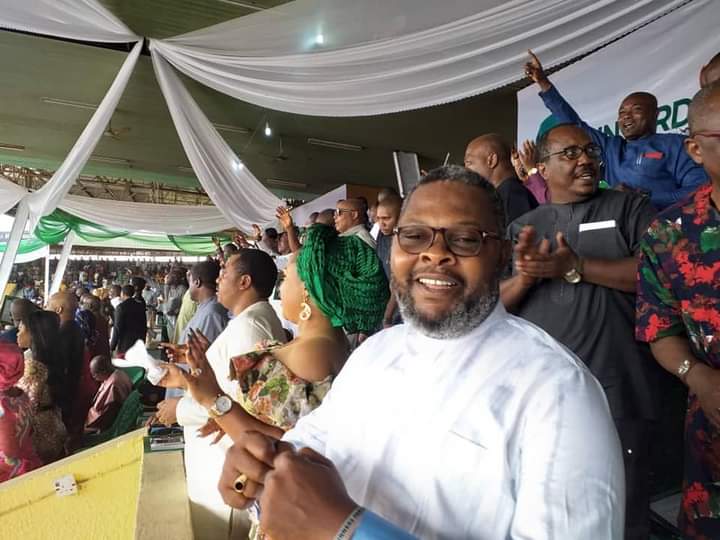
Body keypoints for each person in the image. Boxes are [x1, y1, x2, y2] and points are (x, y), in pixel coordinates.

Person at [216, 166, 625, 539]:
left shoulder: (559, 392)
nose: (434, 252)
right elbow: (314, 442)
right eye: (413, 236)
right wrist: (260, 465)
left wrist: (349, 530)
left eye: (465, 239)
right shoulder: (375, 353)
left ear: (502, 254)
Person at [178, 225, 389, 539]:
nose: (281, 287)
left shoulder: (313, 353)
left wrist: (214, 401)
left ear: (307, 290)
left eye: (286, 278)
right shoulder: (320, 344)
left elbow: (290, 447)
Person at [500, 123, 658, 539]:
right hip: (543, 392)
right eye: (570, 153)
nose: (585, 160)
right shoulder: (523, 228)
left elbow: (661, 277)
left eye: (590, 151)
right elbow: (491, 306)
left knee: (625, 505)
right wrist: (526, 277)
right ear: (542, 168)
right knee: (552, 500)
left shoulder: (629, 209)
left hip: (620, 382)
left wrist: (576, 267)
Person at [635, 82, 720, 538]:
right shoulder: (669, 233)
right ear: (695, 149)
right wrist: (696, 375)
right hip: (713, 440)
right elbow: (659, 327)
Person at [157, 249, 288, 540]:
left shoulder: (250, 328)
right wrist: (193, 372)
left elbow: (244, 407)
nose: (218, 279)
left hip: (225, 462)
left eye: (225, 272)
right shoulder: (245, 321)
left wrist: (179, 409)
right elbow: (226, 385)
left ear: (244, 282)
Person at [525, 50, 707, 210]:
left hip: (665, 230)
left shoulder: (676, 145)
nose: (626, 116)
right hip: (618, 231)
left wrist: (643, 197)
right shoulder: (611, 147)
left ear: (656, 113)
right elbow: (573, 122)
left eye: (636, 110)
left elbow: (700, 190)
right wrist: (543, 83)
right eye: (622, 112)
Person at [16, 311, 68, 464]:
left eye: (21, 329)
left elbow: (27, 407)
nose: (17, 334)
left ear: (33, 333)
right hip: (53, 424)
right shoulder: (49, 357)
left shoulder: (33, 367)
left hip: (40, 434)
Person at [464, 133, 538, 223]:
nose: (466, 169)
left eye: (469, 163)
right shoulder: (505, 193)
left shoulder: (512, 194)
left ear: (492, 160)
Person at [0, 342, 41, 483]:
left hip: (17, 479)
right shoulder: (19, 394)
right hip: (32, 466)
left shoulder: (2, 407)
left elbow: (9, 458)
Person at [46, 292, 85, 428]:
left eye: (48, 305)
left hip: (63, 395)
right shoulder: (75, 328)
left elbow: (60, 368)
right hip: (71, 391)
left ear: (58, 309)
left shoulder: (63, 333)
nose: (46, 308)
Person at [375, 194, 403, 328]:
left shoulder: (406, 242)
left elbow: (398, 283)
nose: (381, 224)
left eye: (386, 218)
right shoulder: (382, 236)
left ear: (401, 216)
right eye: (378, 218)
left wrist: (387, 317)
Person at [84, 355, 132, 434]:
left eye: (94, 374)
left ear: (103, 371)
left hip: (108, 422)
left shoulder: (113, 384)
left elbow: (106, 412)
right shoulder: (118, 373)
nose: (94, 377)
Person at [110, 285, 147, 356]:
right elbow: (144, 325)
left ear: (122, 293)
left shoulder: (121, 307)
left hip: (125, 344)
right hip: (139, 342)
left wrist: (112, 346)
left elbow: (117, 328)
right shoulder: (140, 306)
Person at [160, 267, 188, 342]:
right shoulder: (167, 288)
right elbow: (166, 301)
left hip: (177, 316)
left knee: (177, 337)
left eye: (174, 277)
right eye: (171, 277)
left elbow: (185, 305)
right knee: (169, 336)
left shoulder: (182, 289)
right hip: (168, 316)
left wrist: (175, 311)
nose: (170, 279)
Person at [80, 294, 111, 359]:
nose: (82, 306)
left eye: (84, 304)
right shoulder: (103, 318)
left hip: (94, 356)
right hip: (104, 354)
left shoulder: (89, 321)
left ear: (90, 306)